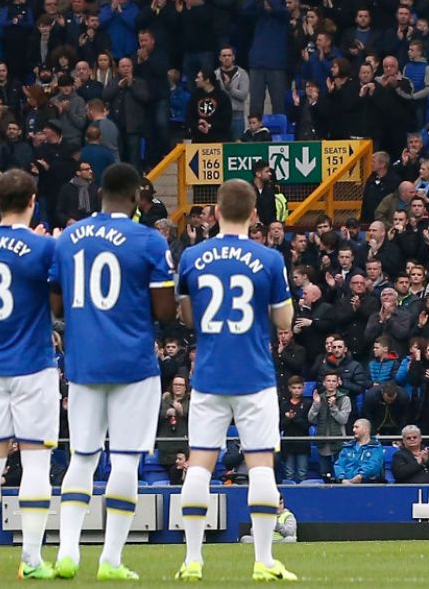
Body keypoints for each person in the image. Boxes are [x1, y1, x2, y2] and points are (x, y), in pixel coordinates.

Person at [51, 163, 175, 580]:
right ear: (139, 195)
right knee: (124, 460)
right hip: (133, 363)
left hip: (84, 362)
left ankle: (67, 551)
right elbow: (164, 309)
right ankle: (110, 559)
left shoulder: (68, 238)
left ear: (100, 192)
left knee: (82, 458)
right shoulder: (149, 240)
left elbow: (54, 304)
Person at [175, 178, 294, 582]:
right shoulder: (270, 259)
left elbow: (187, 317)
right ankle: (263, 559)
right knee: (261, 467)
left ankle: (192, 559)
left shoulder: (192, 256)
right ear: (255, 213)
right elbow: (284, 320)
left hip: (208, 374)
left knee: (198, 467)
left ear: (216, 212)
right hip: (254, 374)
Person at [0, 171, 61, 578]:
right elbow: (55, 307)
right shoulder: (44, 247)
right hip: (34, 365)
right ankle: (32, 559)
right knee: (36, 464)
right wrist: (48, 243)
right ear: (33, 199)